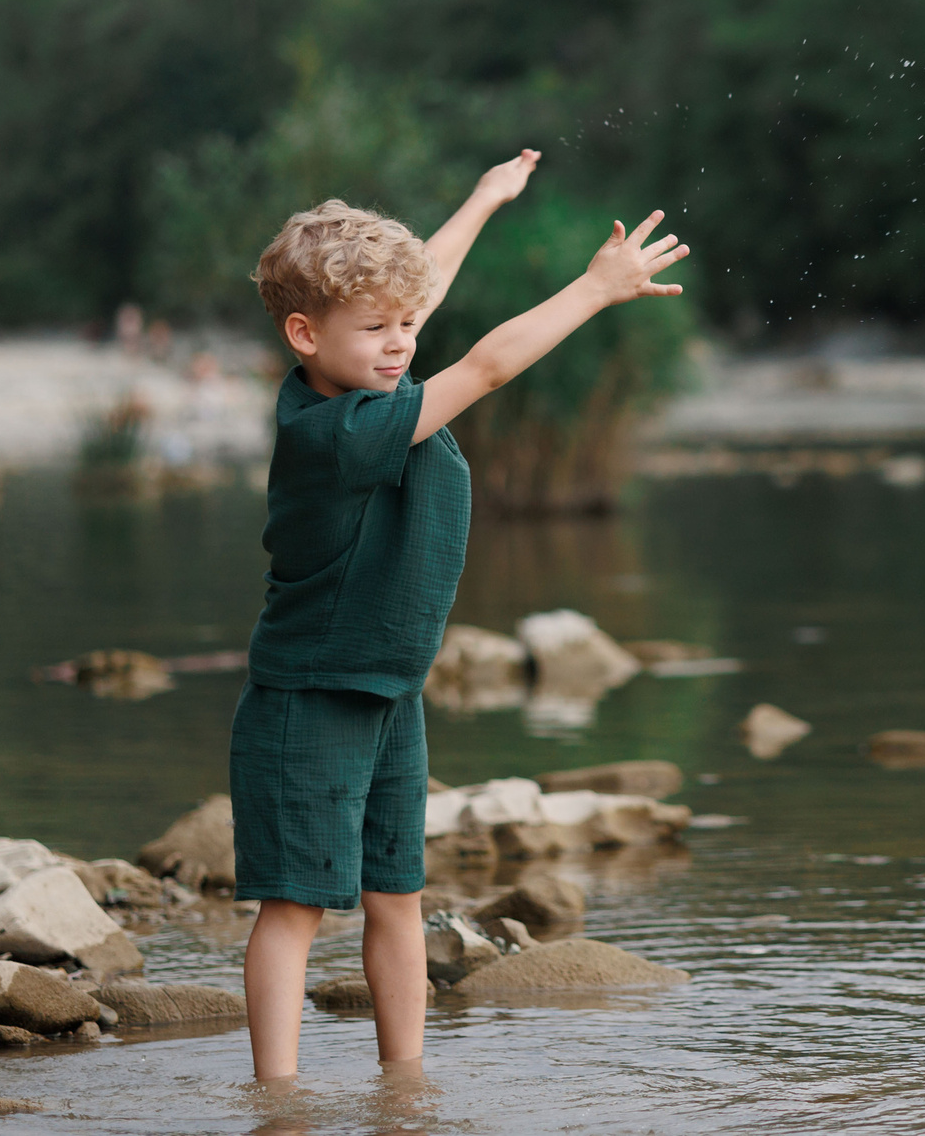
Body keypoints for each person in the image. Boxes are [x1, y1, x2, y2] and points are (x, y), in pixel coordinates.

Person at [232, 151, 687, 1081]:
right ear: (303, 333)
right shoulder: (340, 432)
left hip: (389, 691)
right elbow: (485, 365)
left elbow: (420, 290)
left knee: (397, 895)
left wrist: (484, 198)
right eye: (377, 328)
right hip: (310, 698)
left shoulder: (362, 374)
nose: (401, 343)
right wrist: (595, 290)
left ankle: (405, 1087)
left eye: (406, 324)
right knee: (294, 906)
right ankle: (276, 1101)